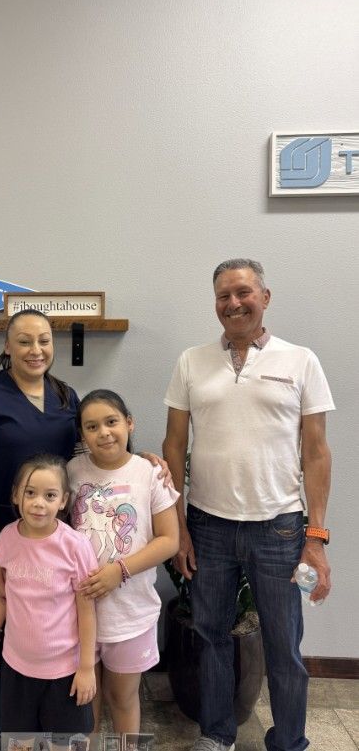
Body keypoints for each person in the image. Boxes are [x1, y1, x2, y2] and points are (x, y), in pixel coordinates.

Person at [0, 309, 172, 733]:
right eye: (24, 340)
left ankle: (51, 734)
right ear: (7, 346)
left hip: (57, 546)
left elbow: (90, 461)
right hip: (3, 541)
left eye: (44, 340)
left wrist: (141, 459)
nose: (35, 349)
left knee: (55, 643)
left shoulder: (66, 397)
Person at [162, 258, 335, 751]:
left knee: (284, 646)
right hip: (208, 526)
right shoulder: (191, 361)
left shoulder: (301, 361)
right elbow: (174, 445)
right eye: (223, 296)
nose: (233, 303)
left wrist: (316, 538)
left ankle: (289, 741)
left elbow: (316, 453)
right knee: (211, 636)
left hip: (280, 527)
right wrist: (179, 526)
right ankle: (217, 735)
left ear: (265, 296)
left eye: (243, 292)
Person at [68, 389, 180, 733]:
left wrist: (120, 570)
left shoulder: (149, 473)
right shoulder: (71, 471)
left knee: (123, 698)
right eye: (92, 427)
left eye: (111, 422)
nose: (103, 432)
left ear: (129, 423)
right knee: (84, 703)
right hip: (77, 613)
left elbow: (169, 540)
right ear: (82, 435)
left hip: (130, 614)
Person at [0, 454, 98, 745]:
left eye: (50, 495)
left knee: (64, 743)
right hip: (16, 668)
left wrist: (86, 668)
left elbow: (87, 612)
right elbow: (3, 596)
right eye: (30, 492)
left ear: (63, 500)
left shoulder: (75, 546)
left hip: (64, 672)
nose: (38, 503)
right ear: (15, 495)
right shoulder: (7, 537)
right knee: (19, 741)